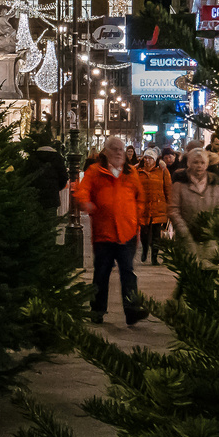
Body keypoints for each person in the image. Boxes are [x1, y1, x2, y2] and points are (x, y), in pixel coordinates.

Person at [71, 138, 150, 325]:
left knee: (128, 272)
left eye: (121, 149)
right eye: (114, 149)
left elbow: (140, 198)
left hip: (126, 231)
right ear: (105, 152)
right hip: (104, 232)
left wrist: (135, 217)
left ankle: (131, 310)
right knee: (101, 272)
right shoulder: (95, 172)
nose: (119, 152)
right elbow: (83, 190)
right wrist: (85, 202)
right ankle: (97, 310)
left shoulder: (131, 173)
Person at [170, 147, 219, 262]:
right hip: (187, 239)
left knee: (209, 273)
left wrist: (213, 228)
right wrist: (184, 233)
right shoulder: (180, 185)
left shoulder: (214, 185)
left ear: (207, 165)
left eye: (202, 162)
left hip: (210, 240)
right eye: (195, 162)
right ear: (189, 164)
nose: (199, 166)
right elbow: (173, 210)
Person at [136, 148, 171, 264]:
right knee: (144, 233)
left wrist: (170, 205)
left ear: (155, 160)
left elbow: (168, 189)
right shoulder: (138, 171)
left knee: (156, 234)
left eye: (150, 158)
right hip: (143, 207)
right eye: (145, 157)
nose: (147, 160)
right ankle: (145, 249)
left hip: (158, 206)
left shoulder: (162, 171)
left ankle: (155, 257)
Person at [21, 129, 69, 211]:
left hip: (35, 195)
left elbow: (26, 175)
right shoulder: (57, 157)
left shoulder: (33, 157)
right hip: (52, 194)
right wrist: (57, 187)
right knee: (50, 218)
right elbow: (63, 176)